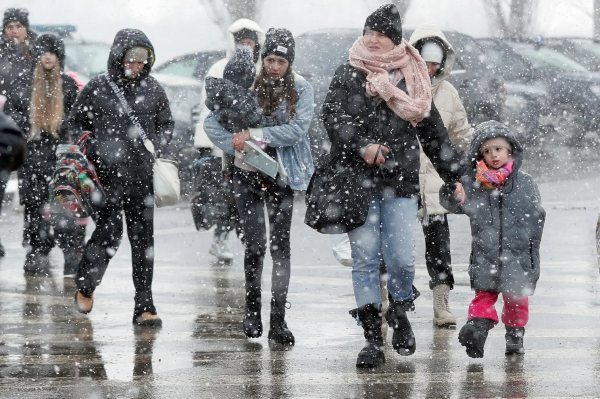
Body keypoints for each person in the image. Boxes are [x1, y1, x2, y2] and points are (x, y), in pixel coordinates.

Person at [320, 4, 466, 367]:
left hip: (400, 183)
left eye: (380, 34)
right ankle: (371, 338)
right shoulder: (348, 73)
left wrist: (455, 176)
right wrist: (361, 146)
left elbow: (434, 133)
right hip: (357, 182)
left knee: (401, 259)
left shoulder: (414, 77)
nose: (371, 40)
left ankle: (400, 314)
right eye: (368, 32)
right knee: (366, 261)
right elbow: (332, 117)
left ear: (394, 40)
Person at [205, 28, 314, 346]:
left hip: (281, 176)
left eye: (281, 60)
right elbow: (211, 123)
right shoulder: (247, 83)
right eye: (269, 59)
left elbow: (297, 129)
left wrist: (255, 135)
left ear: (289, 62)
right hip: (246, 175)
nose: (274, 66)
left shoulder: (301, 88)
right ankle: (252, 310)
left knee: (281, 248)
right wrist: (237, 144)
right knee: (254, 246)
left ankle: (278, 320)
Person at [68, 29, 174, 327]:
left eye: (144, 60)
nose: (138, 65)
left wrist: (160, 145)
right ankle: (86, 285)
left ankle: (145, 304)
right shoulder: (97, 87)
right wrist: (89, 144)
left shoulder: (154, 89)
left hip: (142, 178)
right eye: (132, 59)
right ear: (119, 57)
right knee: (109, 234)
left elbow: (166, 124)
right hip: (105, 180)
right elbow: (75, 122)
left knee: (144, 242)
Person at [440, 121, 545, 358]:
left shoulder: (524, 182)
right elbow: (456, 204)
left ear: (510, 151)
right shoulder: (474, 182)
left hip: (517, 254)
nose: (493, 155)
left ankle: (515, 335)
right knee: (483, 296)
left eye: (498, 149)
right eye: (487, 151)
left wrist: (528, 248)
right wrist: (452, 194)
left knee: (516, 299)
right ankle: (477, 330)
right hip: (485, 253)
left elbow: (537, 217)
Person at [409, 24, 473, 328]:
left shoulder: (448, 93)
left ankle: (442, 302)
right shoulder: (400, 88)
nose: (430, 68)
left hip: (436, 182)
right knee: (395, 245)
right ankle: (389, 300)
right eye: (424, 61)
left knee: (438, 245)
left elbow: (462, 134)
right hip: (403, 181)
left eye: (435, 62)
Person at [4, 34, 81, 274]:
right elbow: (11, 114)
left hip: (59, 154)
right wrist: (27, 130)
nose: (48, 57)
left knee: (64, 204)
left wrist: (65, 129)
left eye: (53, 53)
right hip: (32, 153)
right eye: (43, 52)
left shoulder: (67, 85)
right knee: (34, 206)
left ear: (59, 57)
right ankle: (36, 249)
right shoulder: (23, 83)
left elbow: (78, 119)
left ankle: (70, 252)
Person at [194, 19, 265, 262]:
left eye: (250, 42)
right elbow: (207, 110)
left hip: (255, 144)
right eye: (241, 42)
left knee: (250, 199)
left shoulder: (264, 70)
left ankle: (252, 247)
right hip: (223, 145)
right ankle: (221, 239)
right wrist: (204, 145)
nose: (245, 47)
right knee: (226, 196)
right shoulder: (219, 68)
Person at [0, 7, 37, 257]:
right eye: (9, 27)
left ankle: (35, 242)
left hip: (29, 128)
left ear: (26, 28)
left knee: (32, 189)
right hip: (4, 128)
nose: (14, 32)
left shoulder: (35, 54)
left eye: (18, 27)